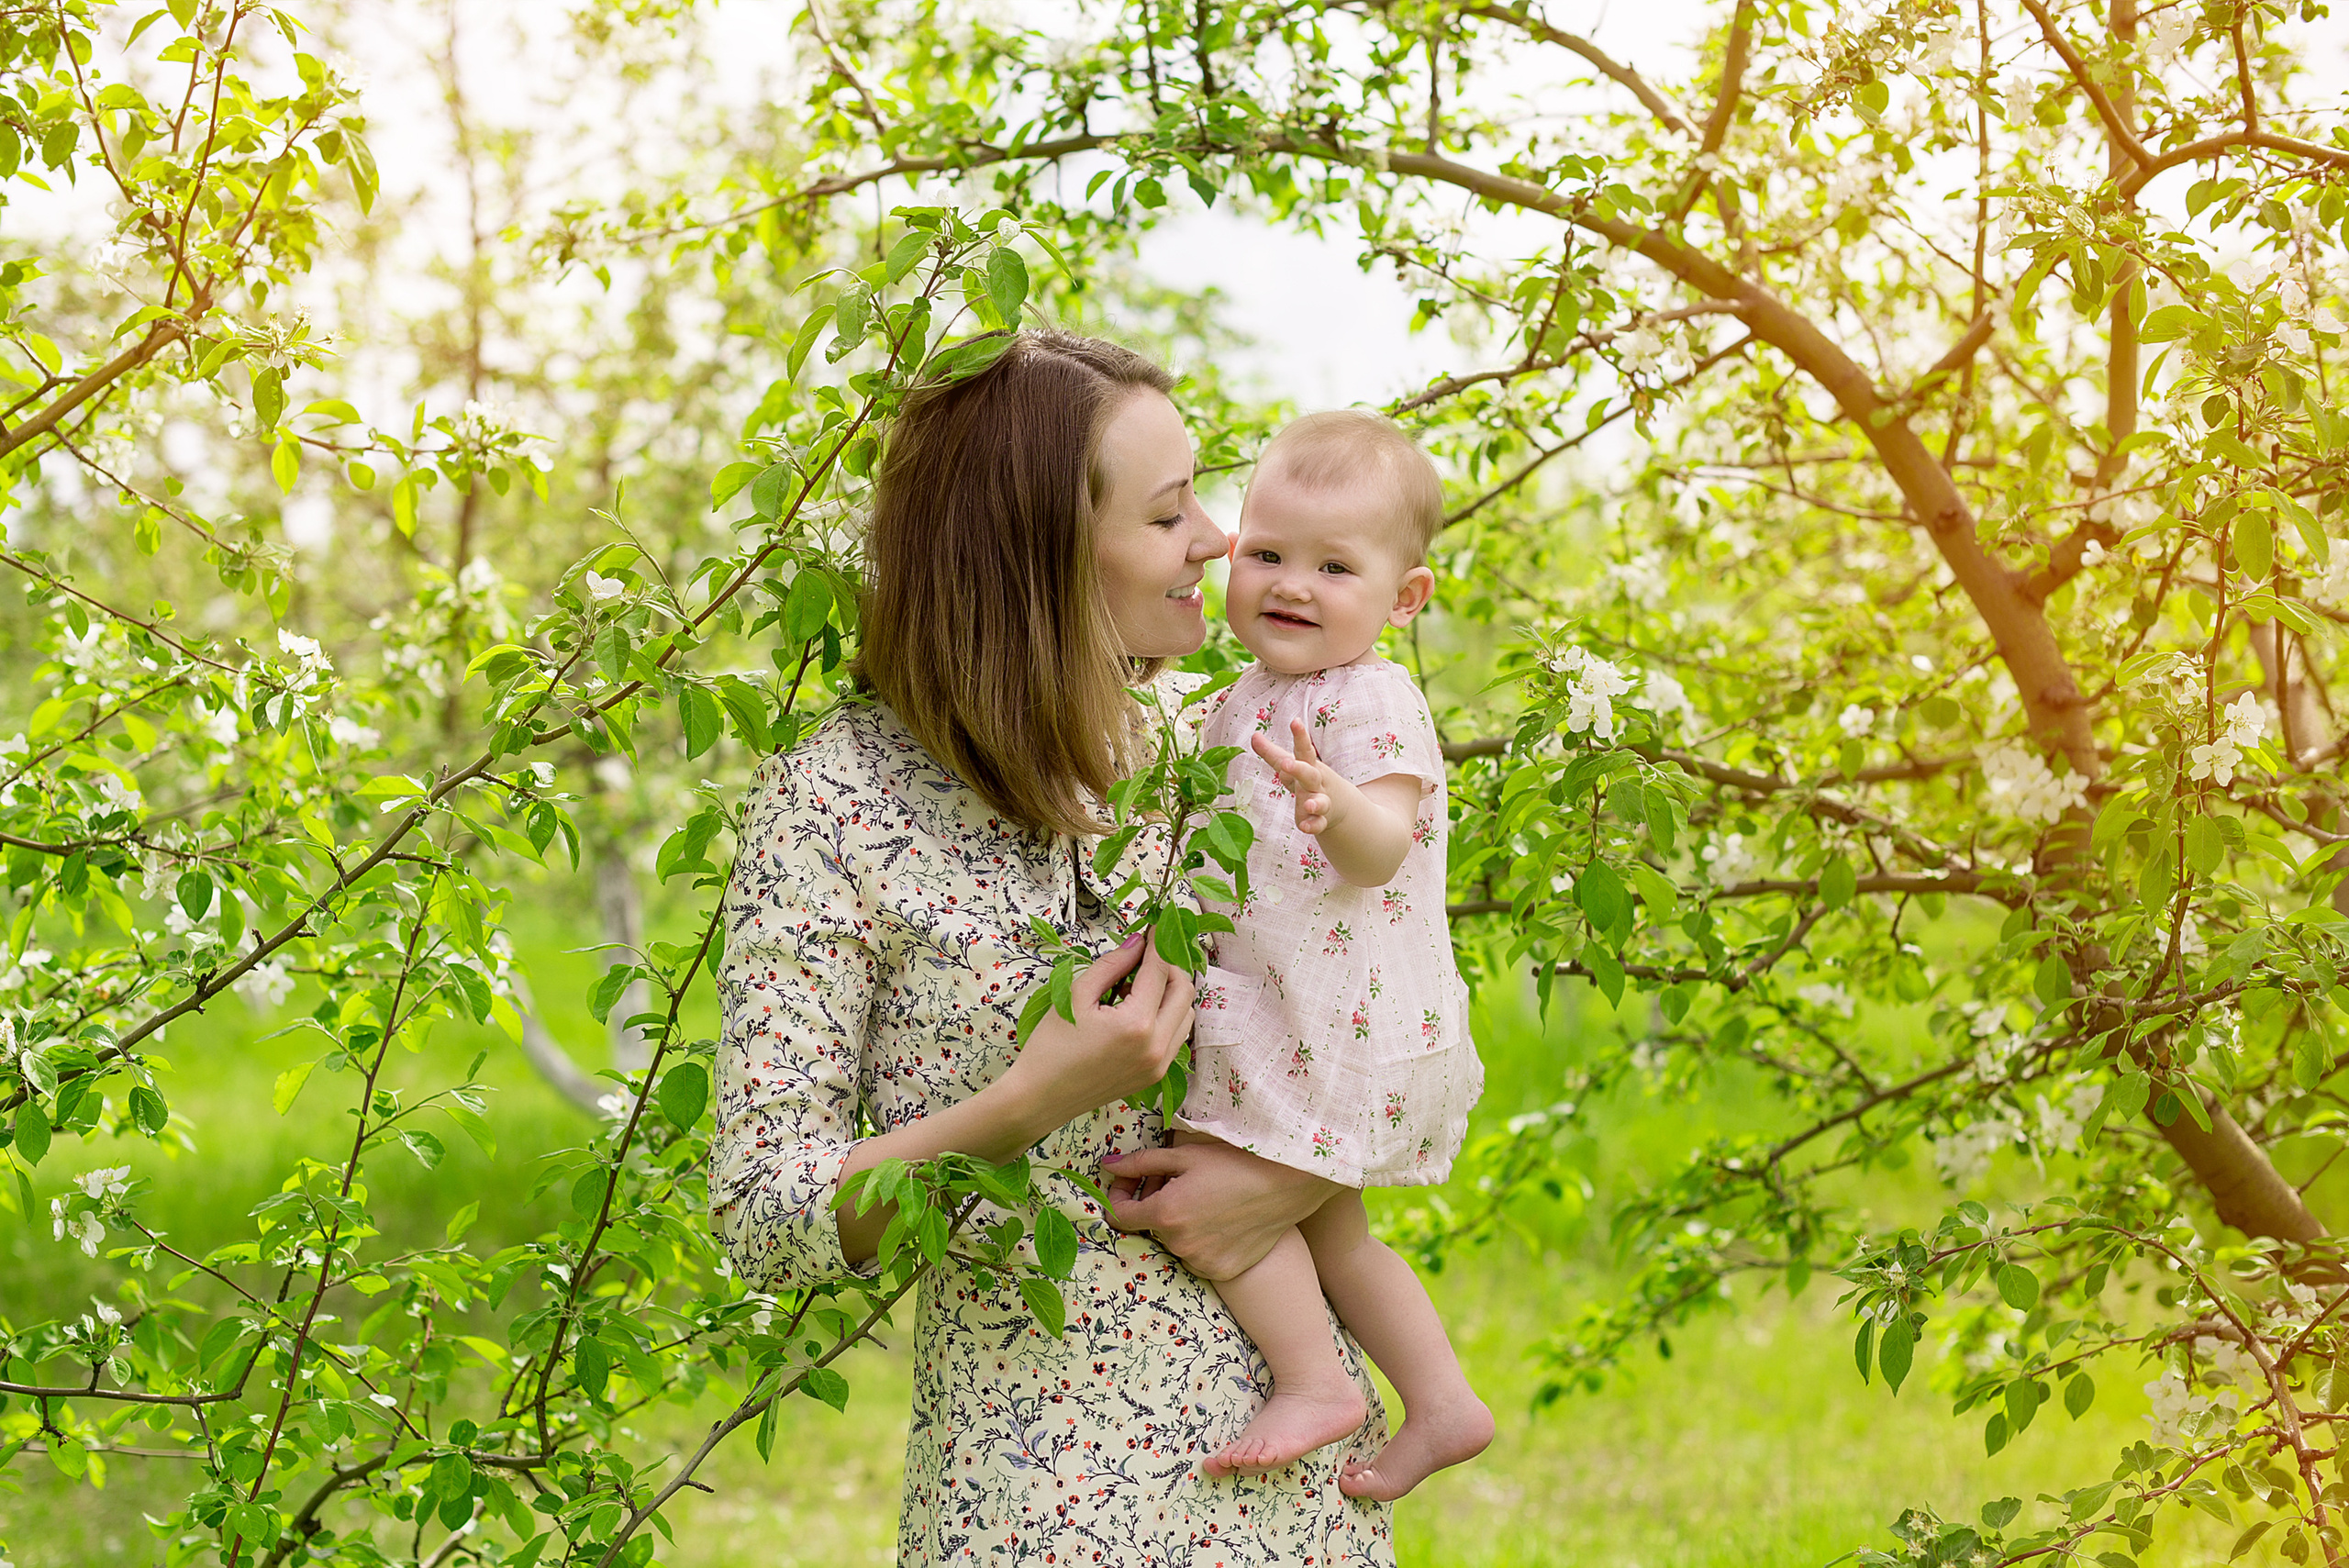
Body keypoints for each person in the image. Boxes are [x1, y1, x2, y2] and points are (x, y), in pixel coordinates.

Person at [711, 330, 1397, 1564]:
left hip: (1298, 1490)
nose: (1220, 542)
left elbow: (1377, 1001)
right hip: (1034, 1499)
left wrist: (1299, 1177)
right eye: (1171, 512)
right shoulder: (835, 802)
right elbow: (767, 1216)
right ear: (1039, 554)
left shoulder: (1218, 744)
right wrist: (1032, 1100)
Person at [1176, 409, 1493, 1500]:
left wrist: (1334, 805)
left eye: (1332, 565)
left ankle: (1315, 1376)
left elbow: (1383, 847)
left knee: (1226, 1183)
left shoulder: (1372, 697)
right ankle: (1442, 1399)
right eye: (1266, 553)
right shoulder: (1236, 699)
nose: (1289, 583)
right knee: (1337, 1229)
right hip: (1274, 1006)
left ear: (1403, 599)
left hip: (1332, 1017)